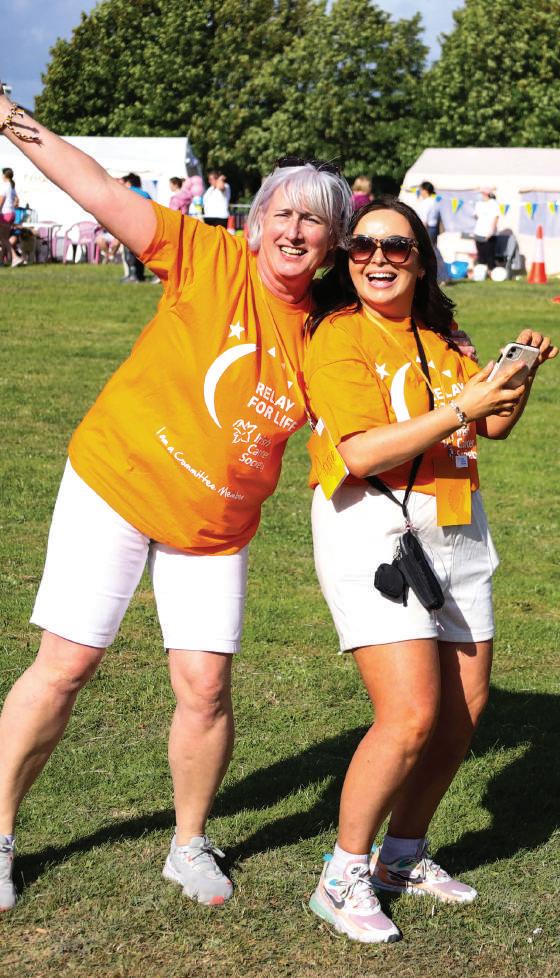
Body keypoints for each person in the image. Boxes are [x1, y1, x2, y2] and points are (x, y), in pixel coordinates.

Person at [0, 93, 352, 913]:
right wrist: (7, 117)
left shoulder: (330, 330)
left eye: (314, 220)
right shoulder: (208, 255)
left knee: (205, 688)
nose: (295, 230)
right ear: (256, 223)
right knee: (66, 665)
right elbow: (94, 187)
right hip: (116, 483)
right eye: (283, 213)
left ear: (333, 241)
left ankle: (188, 844)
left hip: (213, 527)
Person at [304, 199, 558, 943]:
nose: (378, 258)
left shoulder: (442, 337)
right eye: (363, 246)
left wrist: (517, 376)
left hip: (456, 525)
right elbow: (359, 453)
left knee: (462, 712)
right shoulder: (338, 334)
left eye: (397, 246)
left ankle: (401, 857)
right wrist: (462, 407)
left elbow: (493, 424)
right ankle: (342, 874)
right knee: (410, 715)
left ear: (421, 259)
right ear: (348, 258)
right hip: (374, 531)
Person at [121, 173, 151, 283]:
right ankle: (140, 275)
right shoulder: (145, 194)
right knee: (140, 252)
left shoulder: (126, 193)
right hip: (144, 226)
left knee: (129, 252)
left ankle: (132, 275)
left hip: (130, 225)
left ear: (129, 183)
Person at [472, 187, 499, 274]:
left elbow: (496, 217)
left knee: (490, 255)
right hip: (478, 232)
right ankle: (482, 273)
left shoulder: (493, 204)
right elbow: (476, 216)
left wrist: (491, 231)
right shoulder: (479, 204)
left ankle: (492, 272)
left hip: (489, 233)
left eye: (482, 193)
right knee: (481, 255)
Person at [0, 166, 22, 266]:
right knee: (4, 238)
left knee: (3, 238)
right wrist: (13, 205)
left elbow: (1, 201)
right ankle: (2, 261)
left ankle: (15, 257)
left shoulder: (5, 186)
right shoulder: (12, 186)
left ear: (4, 175)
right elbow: (17, 200)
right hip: (12, 213)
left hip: (5, 214)